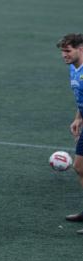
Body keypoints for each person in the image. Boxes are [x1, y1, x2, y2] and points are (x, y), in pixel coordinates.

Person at [56, 34, 83, 234]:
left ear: (80, 49)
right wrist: (78, 118)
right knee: (79, 167)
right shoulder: (73, 70)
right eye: (62, 51)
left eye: (68, 51)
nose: (64, 55)